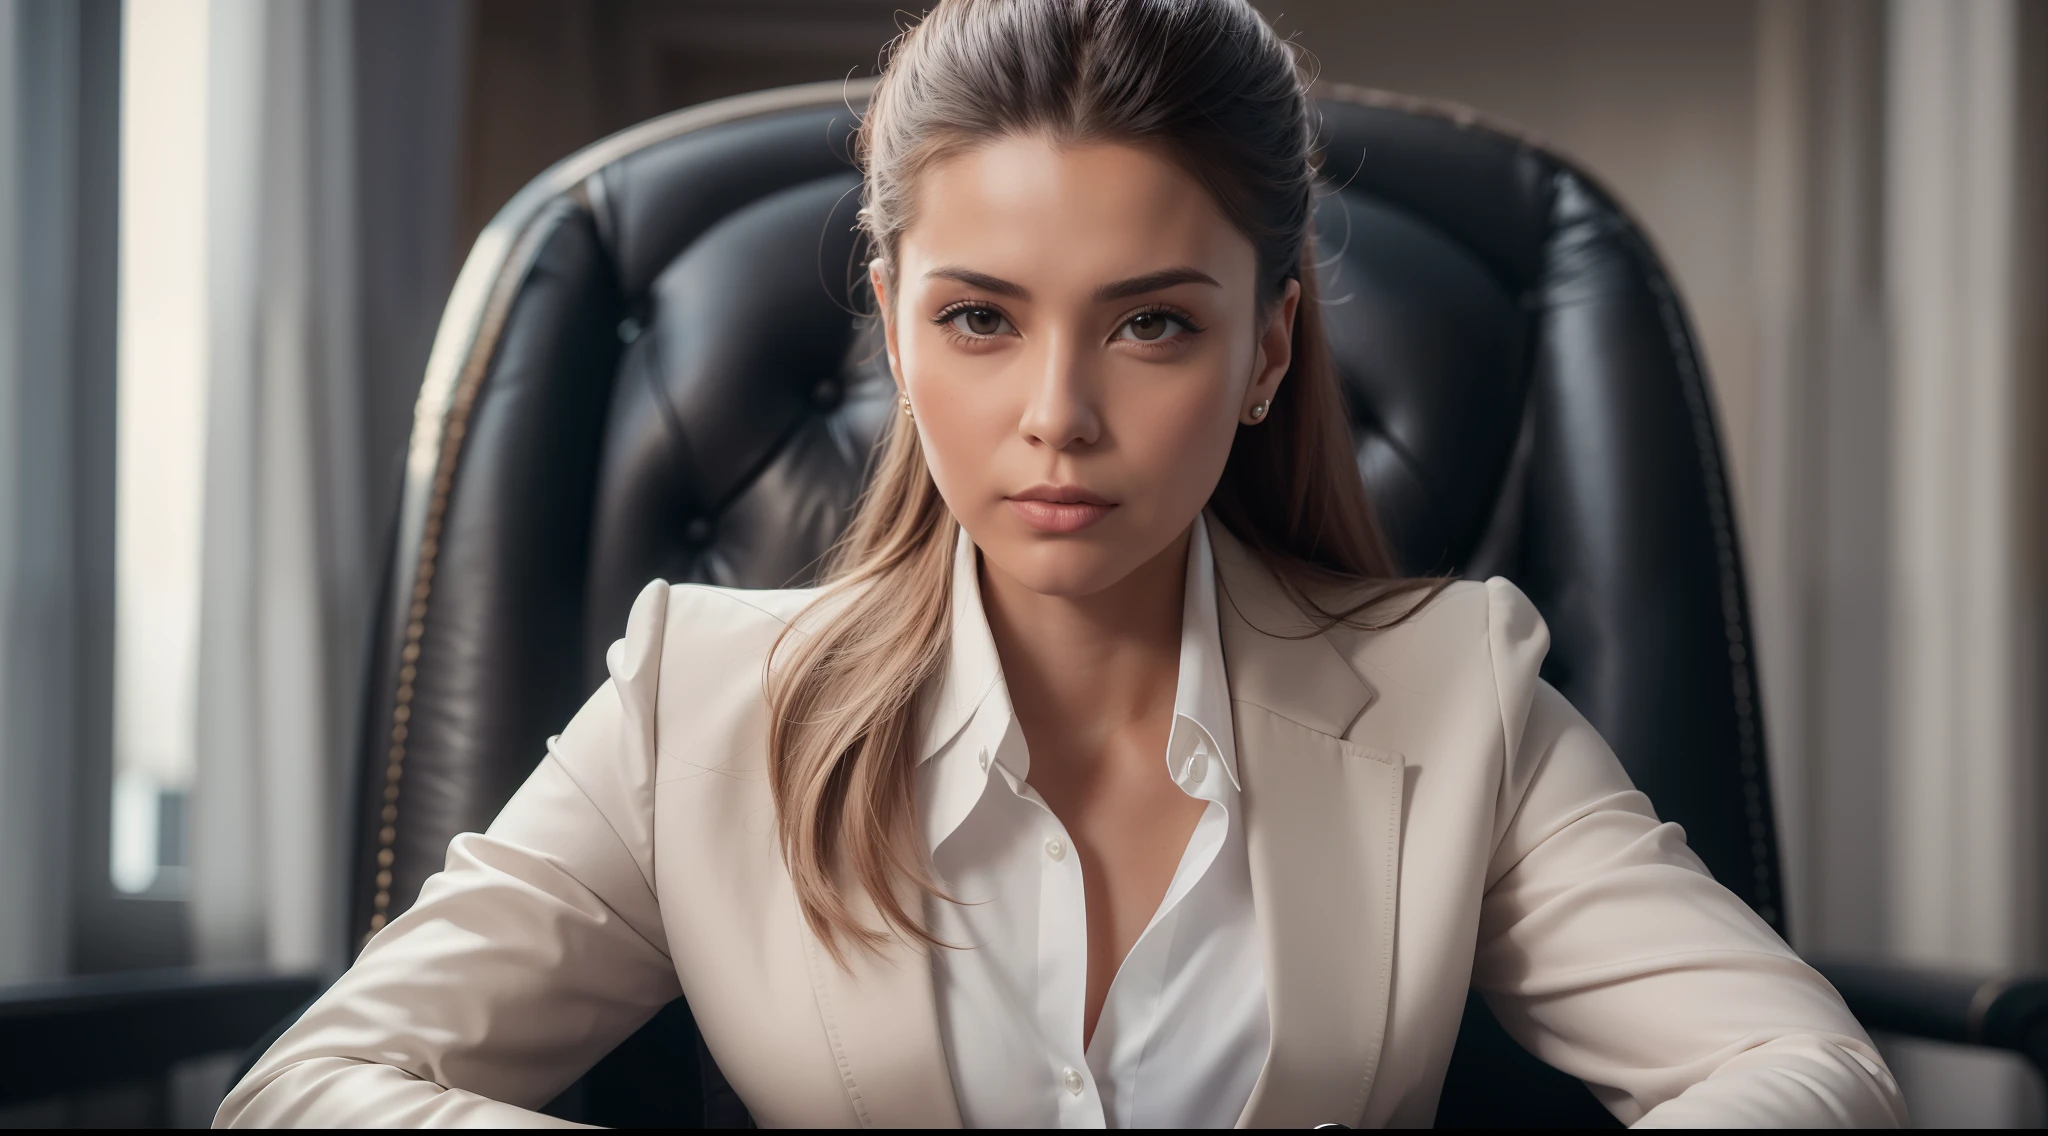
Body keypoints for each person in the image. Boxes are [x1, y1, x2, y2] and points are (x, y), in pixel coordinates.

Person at [217, 0, 1906, 1127]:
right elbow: (319, 1089)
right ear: (890, 322)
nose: (1058, 417)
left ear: (1264, 352)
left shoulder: (1455, 693)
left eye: (1154, 325)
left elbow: (1806, 1067)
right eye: (978, 319)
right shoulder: (700, 700)